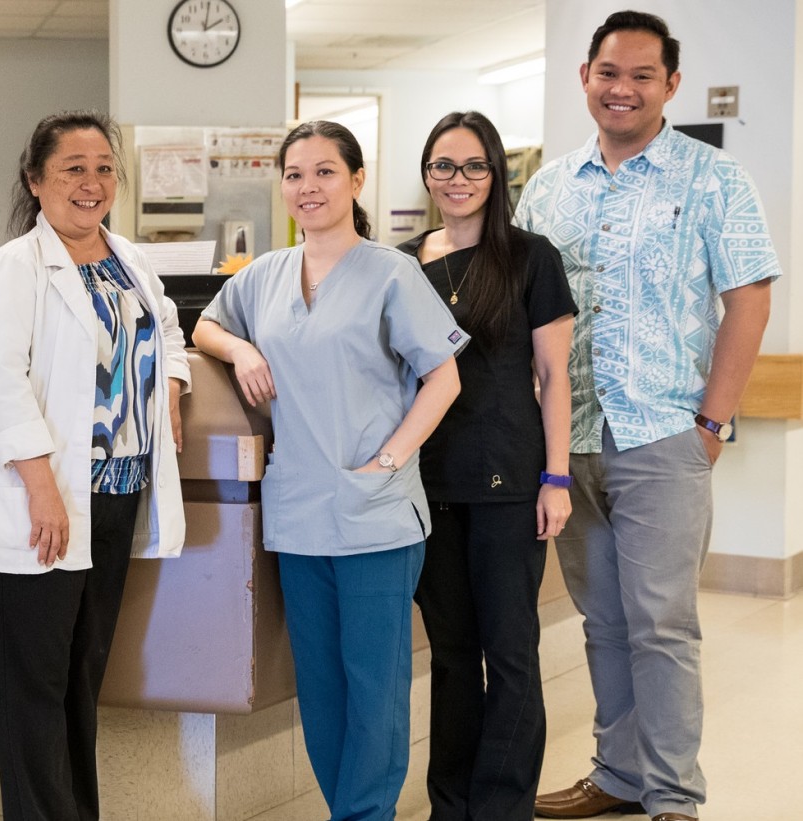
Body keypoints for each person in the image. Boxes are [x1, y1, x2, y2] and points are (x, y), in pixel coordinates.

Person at [515, 11, 778, 821]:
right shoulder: (549, 186)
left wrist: (711, 423)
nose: (620, 89)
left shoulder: (713, 178)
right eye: (606, 73)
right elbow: (521, 305)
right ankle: (618, 775)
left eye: (639, 76)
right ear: (584, 78)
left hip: (663, 434)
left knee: (662, 625)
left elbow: (750, 299)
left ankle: (672, 795)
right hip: (570, 438)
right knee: (603, 622)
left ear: (670, 84)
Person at [194, 119, 465, 821]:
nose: (307, 187)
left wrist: (391, 458)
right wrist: (241, 352)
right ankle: (348, 809)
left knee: (374, 683)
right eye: (294, 174)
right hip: (300, 512)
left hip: (375, 511)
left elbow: (444, 377)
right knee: (320, 685)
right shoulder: (266, 275)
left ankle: (363, 815)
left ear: (356, 180)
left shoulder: (390, 272)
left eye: (323, 172)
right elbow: (204, 326)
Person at [0, 110, 190, 821]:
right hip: (46, 504)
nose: (91, 184)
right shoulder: (10, 269)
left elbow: (171, 332)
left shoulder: (130, 258)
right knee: (35, 688)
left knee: (81, 679)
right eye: (72, 169)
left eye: (103, 168)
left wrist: (171, 392)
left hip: (116, 498)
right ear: (36, 180)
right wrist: (42, 490)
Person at [397, 111, 576, 821]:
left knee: (509, 650)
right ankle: (452, 803)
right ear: (427, 174)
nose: (458, 179)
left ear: (496, 174)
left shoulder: (532, 257)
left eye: (473, 165)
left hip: (508, 475)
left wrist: (556, 477)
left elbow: (554, 375)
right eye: (443, 165)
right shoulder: (402, 260)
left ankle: (502, 806)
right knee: (449, 652)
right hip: (427, 482)